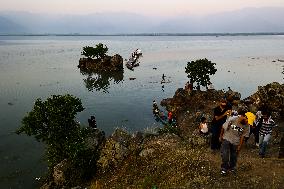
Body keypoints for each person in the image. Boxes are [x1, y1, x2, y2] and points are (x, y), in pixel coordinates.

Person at [219, 110, 249, 175]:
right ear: (243, 116)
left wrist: (239, 146)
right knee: (225, 154)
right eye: (247, 120)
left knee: (234, 155)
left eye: (248, 121)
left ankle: (232, 168)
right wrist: (221, 136)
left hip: (236, 141)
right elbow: (223, 127)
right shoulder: (233, 119)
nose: (247, 122)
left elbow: (243, 136)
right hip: (227, 137)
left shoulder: (247, 125)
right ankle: (224, 168)